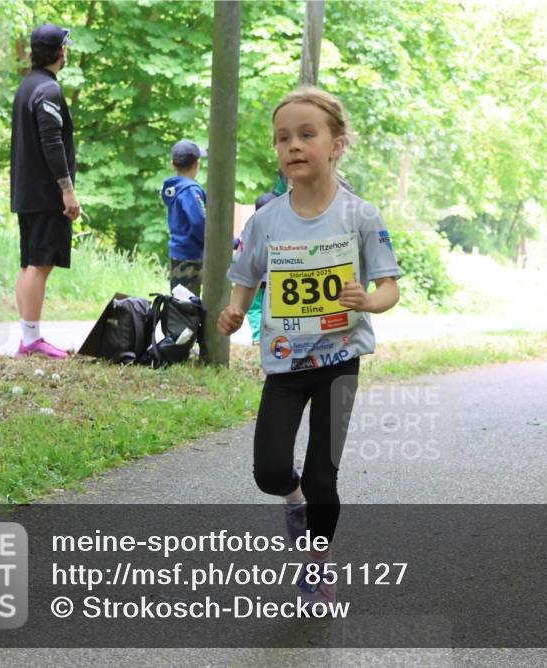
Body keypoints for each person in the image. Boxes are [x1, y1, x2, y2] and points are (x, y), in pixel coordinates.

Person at [217, 87, 401, 607]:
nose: (293, 145)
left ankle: (317, 566)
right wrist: (234, 311)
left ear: (336, 145)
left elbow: (389, 287)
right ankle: (292, 502)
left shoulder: (360, 215)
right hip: (284, 364)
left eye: (306, 135)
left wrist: (368, 300)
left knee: (324, 476)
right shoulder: (266, 220)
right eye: (283, 138)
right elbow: (245, 276)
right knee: (270, 472)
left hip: (340, 362)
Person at [10, 23, 79, 360]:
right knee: (41, 264)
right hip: (45, 193)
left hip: (26, 192)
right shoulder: (48, 90)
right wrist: (67, 190)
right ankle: (32, 340)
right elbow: (52, 142)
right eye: (65, 47)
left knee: (30, 264)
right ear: (60, 51)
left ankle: (28, 337)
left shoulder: (28, 86)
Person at [161, 140, 208, 295]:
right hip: (191, 258)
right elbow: (200, 224)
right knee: (186, 304)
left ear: (172, 164)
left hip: (179, 254)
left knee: (180, 299)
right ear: (197, 164)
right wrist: (229, 243)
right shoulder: (190, 191)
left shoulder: (175, 189)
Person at [245, 190, 279, 345]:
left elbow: (245, 248)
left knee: (255, 307)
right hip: (275, 278)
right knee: (273, 307)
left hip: (258, 277)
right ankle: (272, 334)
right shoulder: (282, 228)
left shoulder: (252, 228)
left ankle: (258, 337)